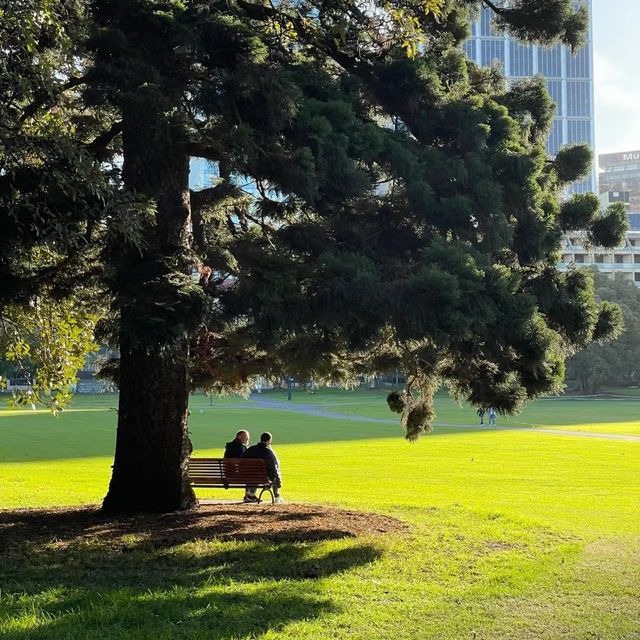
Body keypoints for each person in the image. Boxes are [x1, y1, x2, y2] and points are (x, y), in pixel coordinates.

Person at [244, 431, 284, 504]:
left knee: (255, 473)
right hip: (264, 478)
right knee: (273, 475)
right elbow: (275, 468)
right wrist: (279, 482)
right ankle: (277, 497)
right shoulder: (269, 452)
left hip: (249, 476)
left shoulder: (250, 449)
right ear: (269, 441)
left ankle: (250, 493)